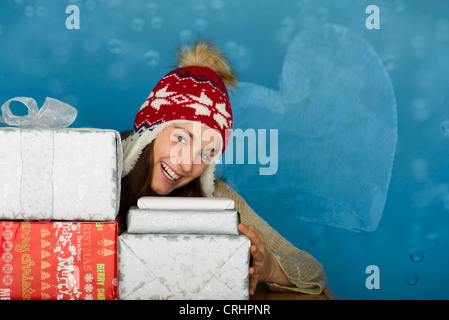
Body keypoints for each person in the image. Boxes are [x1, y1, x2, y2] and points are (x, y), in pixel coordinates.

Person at [120, 40, 327, 295]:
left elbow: (312, 270)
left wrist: (270, 267)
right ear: (151, 131)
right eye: (181, 138)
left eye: (206, 154)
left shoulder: (218, 199)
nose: (186, 164)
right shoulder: (96, 167)